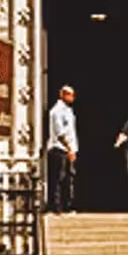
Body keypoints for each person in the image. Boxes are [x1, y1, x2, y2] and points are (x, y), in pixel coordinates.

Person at [45, 85, 78, 213]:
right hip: (59, 149)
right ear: (63, 95)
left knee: (69, 178)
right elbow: (60, 134)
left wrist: (73, 149)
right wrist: (69, 149)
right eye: (70, 95)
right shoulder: (56, 111)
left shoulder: (69, 111)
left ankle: (68, 205)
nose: (73, 98)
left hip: (69, 149)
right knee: (58, 178)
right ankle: (56, 206)